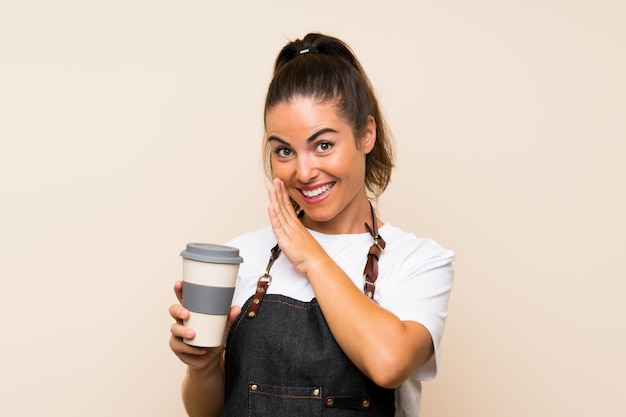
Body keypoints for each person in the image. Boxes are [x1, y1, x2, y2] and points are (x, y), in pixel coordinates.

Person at [169, 32, 454, 417]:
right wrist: (202, 369)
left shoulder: (418, 261)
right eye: (284, 150)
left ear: (366, 134)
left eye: (323, 145)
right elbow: (207, 411)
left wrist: (311, 257)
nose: (303, 172)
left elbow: (389, 363)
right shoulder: (241, 257)